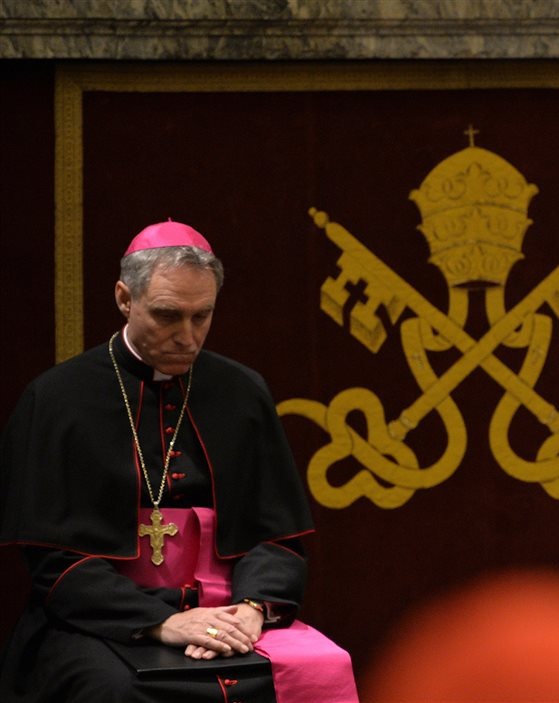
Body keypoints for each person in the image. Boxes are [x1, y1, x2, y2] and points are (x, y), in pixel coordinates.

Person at [0, 221, 358, 702]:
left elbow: (277, 535)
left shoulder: (241, 391)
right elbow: (53, 560)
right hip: (101, 619)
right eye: (168, 316)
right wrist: (161, 623)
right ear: (125, 299)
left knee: (324, 668)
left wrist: (251, 609)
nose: (187, 337)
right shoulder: (57, 399)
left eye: (202, 316)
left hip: (227, 612)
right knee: (114, 688)